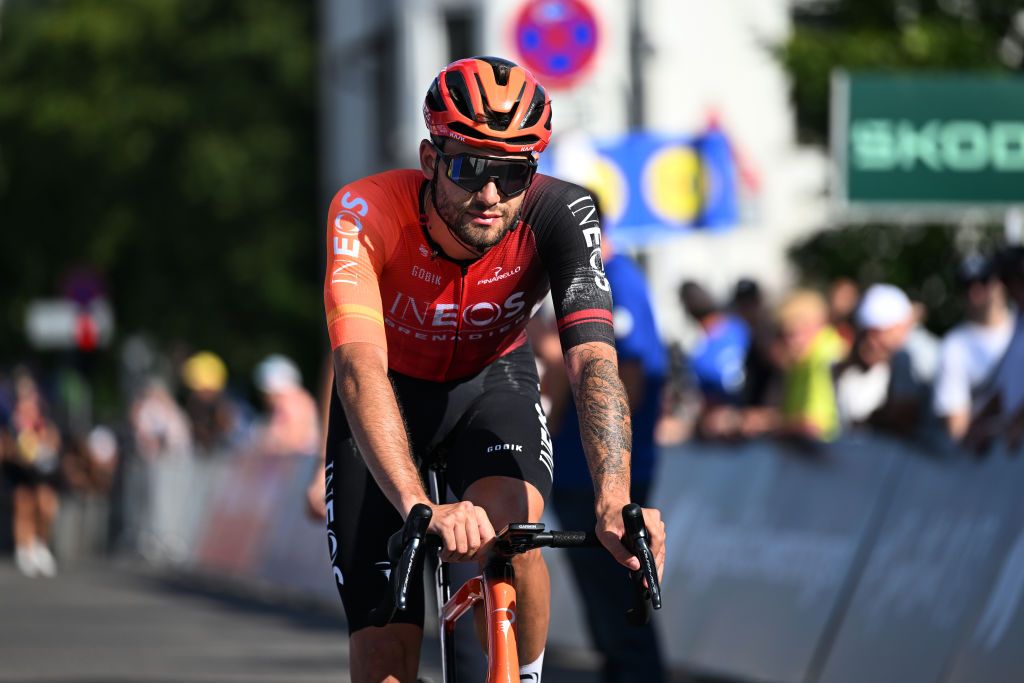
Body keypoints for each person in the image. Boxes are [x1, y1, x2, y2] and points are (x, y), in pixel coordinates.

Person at [312, 56, 666, 683]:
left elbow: (592, 362)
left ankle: (523, 675)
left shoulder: (563, 213)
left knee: (513, 529)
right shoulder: (365, 212)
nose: (490, 195)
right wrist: (421, 504)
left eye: (512, 172)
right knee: (382, 658)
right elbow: (359, 368)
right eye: (468, 167)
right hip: (389, 396)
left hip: (490, 383)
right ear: (428, 160)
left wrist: (615, 497)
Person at [539, 223, 668, 683]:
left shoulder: (615, 278)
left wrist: (613, 470)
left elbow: (627, 374)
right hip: (575, 469)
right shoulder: (586, 277)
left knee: (621, 601)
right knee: (603, 605)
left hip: (605, 477)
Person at [933, 254, 1016, 442]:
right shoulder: (954, 346)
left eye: (984, 282)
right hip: (987, 456)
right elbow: (957, 428)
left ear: (1000, 284)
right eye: (967, 286)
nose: (976, 293)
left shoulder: (1020, 330)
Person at [0, 368, 61, 577]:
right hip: (18, 472)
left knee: (46, 506)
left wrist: (44, 448)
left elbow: (54, 444)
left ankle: (41, 544)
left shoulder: (44, 424)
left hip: (41, 473)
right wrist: (17, 454)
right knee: (23, 505)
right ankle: (24, 548)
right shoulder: (11, 425)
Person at [249, 354, 320, 457]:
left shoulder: (290, 404)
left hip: (300, 463)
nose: (264, 399)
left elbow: (292, 438)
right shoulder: (301, 400)